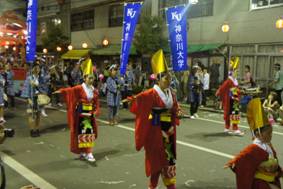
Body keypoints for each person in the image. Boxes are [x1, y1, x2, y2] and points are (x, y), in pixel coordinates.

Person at [127, 50, 182, 189]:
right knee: (156, 162)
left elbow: (175, 108)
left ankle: (170, 186)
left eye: (169, 78)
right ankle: (152, 186)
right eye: (165, 78)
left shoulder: (172, 93)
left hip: (169, 131)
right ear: (158, 79)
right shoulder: (150, 94)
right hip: (155, 132)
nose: (168, 80)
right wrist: (134, 100)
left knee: (169, 160)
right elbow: (139, 104)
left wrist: (177, 112)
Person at [225, 98, 283, 189]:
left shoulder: (268, 145)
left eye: (271, 133)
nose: (270, 136)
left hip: (271, 179)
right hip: (259, 183)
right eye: (268, 133)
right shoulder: (253, 148)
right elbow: (241, 161)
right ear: (257, 134)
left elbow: (276, 164)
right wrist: (234, 162)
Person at [54, 74, 100, 162]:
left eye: (92, 78)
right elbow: (70, 91)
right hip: (81, 113)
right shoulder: (79, 88)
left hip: (90, 114)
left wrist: (96, 112)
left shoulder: (94, 90)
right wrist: (61, 91)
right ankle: (84, 152)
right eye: (89, 78)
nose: (91, 80)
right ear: (84, 78)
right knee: (82, 132)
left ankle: (88, 152)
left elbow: (96, 102)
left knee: (88, 132)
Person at [216, 57, 244, 136]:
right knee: (229, 113)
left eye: (237, 71)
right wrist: (218, 94)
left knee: (234, 113)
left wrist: (240, 92)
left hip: (234, 99)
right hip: (230, 100)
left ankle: (231, 128)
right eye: (236, 71)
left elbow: (235, 90)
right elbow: (222, 88)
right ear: (232, 72)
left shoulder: (235, 81)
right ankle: (230, 128)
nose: (237, 73)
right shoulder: (229, 80)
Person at [21, 63, 42, 137]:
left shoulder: (41, 78)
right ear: (33, 69)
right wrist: (28, 99)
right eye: (36, 68)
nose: (37, 69)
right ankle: (32, 130)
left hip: (39, 99)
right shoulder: (29, 78)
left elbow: (44, 87)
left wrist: (44, 95)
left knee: (38, 115)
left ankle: (37, 129)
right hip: (31, 98)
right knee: (31, 115)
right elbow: (26, 89)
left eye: (39, 68)